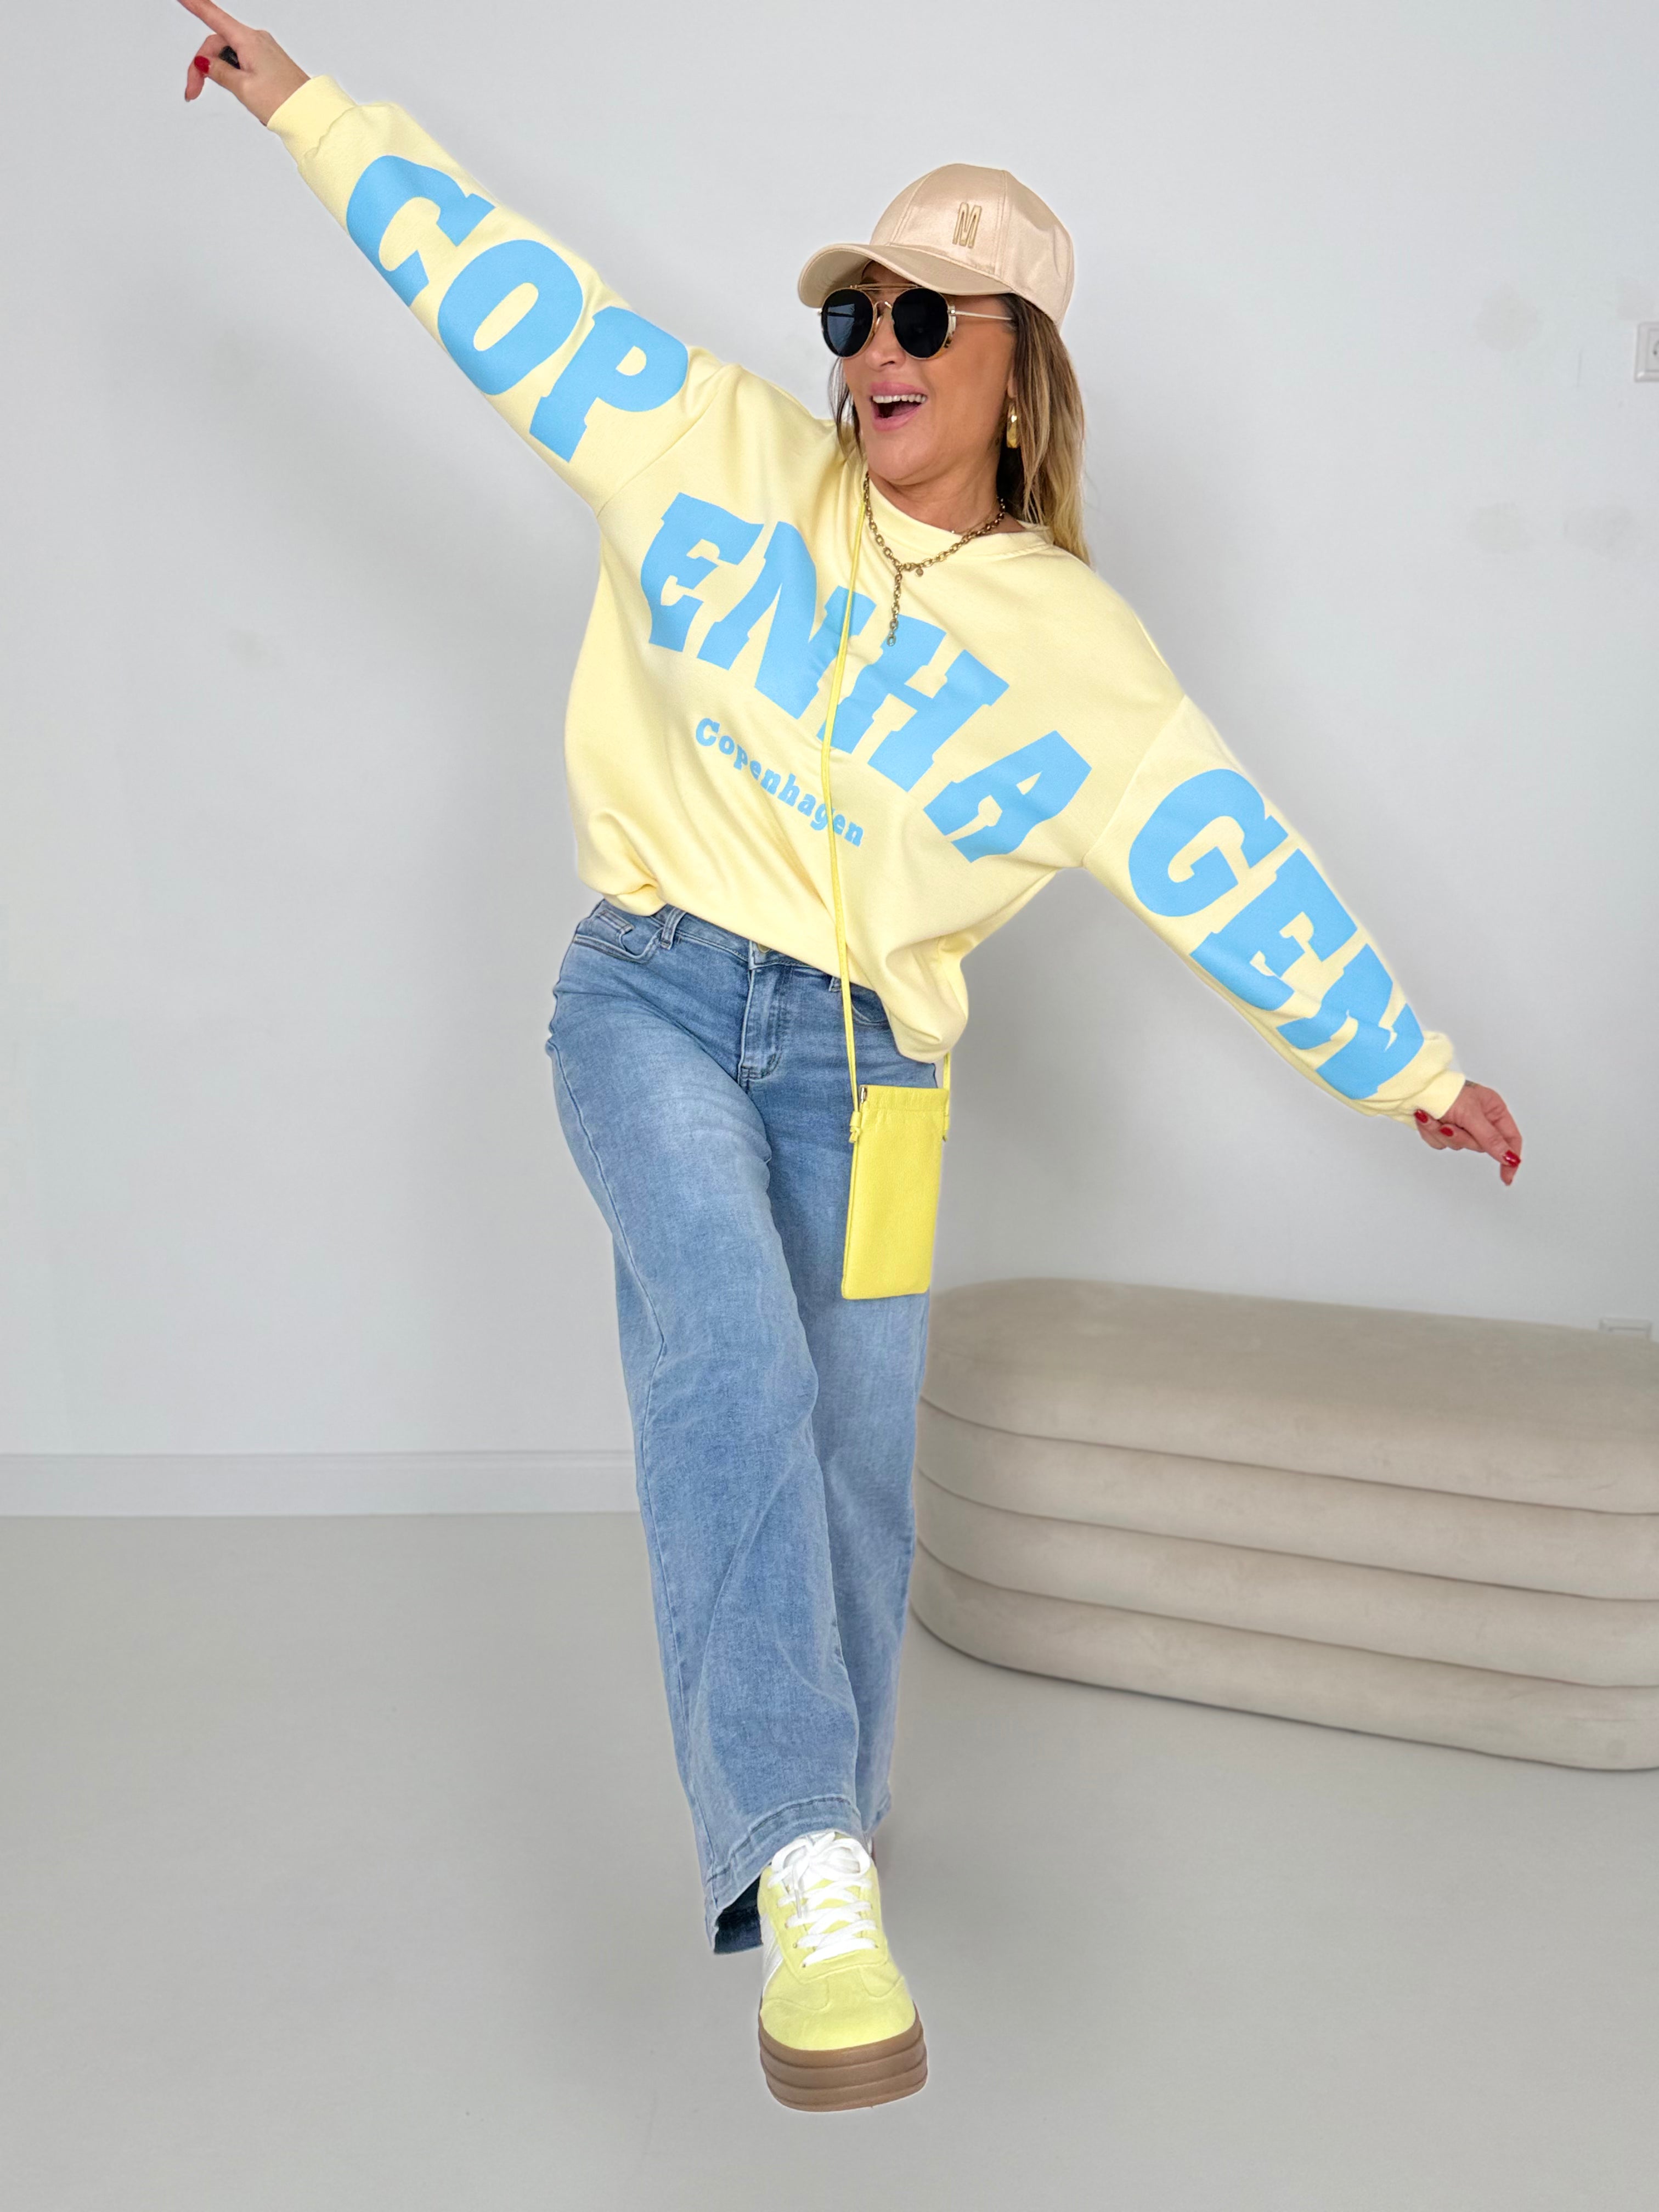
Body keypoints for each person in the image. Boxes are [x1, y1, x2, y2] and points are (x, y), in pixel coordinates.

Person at [176, 0, 1525, 2112]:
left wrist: (1411, 1066)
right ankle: (805, 1867)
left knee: (855, 1457)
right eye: (854, 312)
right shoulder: (708, 450)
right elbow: (506, 289)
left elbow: (1229, 864)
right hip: (645, 995)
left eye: (919, 316)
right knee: (725, 1352)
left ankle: (835, 1817)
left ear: (1019, 366)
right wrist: (307, 113)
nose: (870, 349)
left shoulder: (1081, 653)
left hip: (876, 1068)